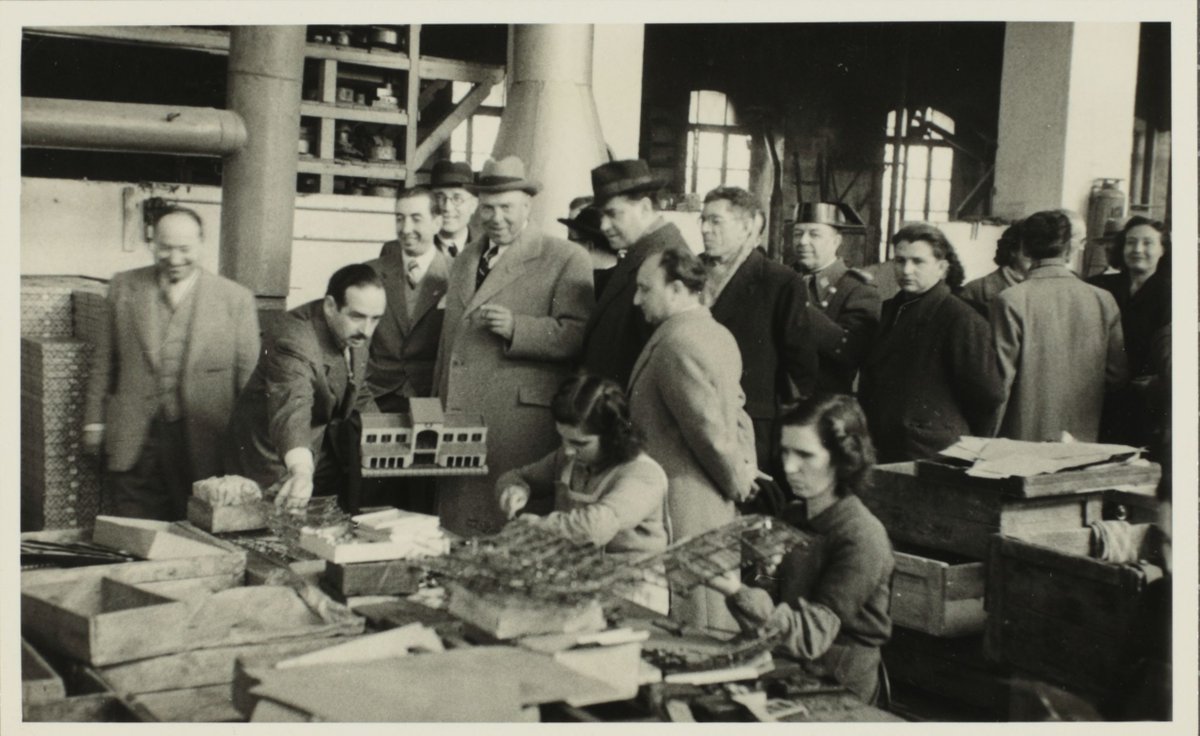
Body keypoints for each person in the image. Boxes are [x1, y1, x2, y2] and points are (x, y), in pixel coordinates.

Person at [432, 155, 593, 536]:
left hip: (520, 425)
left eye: (506, 207)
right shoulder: (466, 259)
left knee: (509, 527)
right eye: (487, 207)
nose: (495, 217)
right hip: (459, 418)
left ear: (527, 206)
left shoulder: (566, 257)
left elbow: (578, 335)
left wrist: (518, 328)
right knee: (458, 530)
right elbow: (447, 344)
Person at [703, 395, 893, 704]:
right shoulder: (794, 515)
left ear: (842, 459)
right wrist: (760, 575)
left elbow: (811, 637)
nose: (789, 467)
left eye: (805, 455)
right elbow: (770, 616)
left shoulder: (862, 536)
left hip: (838, 685)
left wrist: (736, 590)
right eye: (786, 452)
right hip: (789, 667)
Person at [82, 207, 261, 520]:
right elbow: (103, 364)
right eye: (165, 248)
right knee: (132, 531)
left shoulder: (236, 299)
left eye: (184, 249)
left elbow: (248, 384)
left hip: (205, 439)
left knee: (196, 527)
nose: (175, 258)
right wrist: (94, 422)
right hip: (136, 437)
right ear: (152, 243)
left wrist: (248, 451)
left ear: (202, 244)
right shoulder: (123, 286)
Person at [628, 245, 757, 631]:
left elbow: (709, 432)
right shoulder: (715, 333)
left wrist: (738, 481)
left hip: (684, 507)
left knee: (695, 622)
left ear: (678, 289)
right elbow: (737, 413)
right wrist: (747, 466)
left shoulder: (677, 344)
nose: (636, 300)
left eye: (645, 289)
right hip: (707, 499)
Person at [495, 374, 669, 612]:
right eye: (562, 438)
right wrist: (514, 490)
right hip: (582, 586)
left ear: (613, 436)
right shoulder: (568, 458)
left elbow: (595, 526)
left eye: (579, 443)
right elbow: (517, 476)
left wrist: (535, 527)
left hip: (632, 595)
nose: (567, 449)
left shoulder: (642, 475)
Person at [224, 264, 386, 510]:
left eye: (375, 319)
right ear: (330, 306)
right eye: (357, 317)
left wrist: (386, 436)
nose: (367, 330)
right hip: (270, 457)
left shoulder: (356, 327)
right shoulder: (294, 339)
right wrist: (300, 469)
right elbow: (292, 404)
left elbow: (355, 387)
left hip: (316, 449)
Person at [699, 186, 818, 493]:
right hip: (695, 417)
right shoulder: (689, 273)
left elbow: (801, 365)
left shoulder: (779, 282)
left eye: (715, 221)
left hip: (751, 429)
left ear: (748, 225)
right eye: (703, 220)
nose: (704, 229)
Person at [858, 223, 1004, 462]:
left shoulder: (961, 318)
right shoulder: (890, 310)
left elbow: (989, 395)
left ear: (942, 267)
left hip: (930, 451)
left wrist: (955, 437)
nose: (906, 270)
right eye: (900, 260)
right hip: (886, 444)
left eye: (918, 262)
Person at [992, 211, 1127, 442]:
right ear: (1068, 249)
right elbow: (1117, 376)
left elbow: (1000, 382)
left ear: (1024, 248)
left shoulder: (1010, 300)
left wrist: (986, 437)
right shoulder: (1103, 299)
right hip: (1083, 438)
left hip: (1020, 439)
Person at [363, 187, 450, 512]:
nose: (406, 228)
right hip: (378, 398)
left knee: (423, 503)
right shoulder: (371, 272)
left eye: (416, 218)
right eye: (399, 218)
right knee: (375, 501)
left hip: (431, 404)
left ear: (438, 221)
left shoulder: (460, 276)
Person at [581, 159, 690, 388]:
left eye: (613, 214)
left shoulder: (664, 260)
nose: (603, 226)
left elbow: (676, 361)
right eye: (601, 215)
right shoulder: (642, 254)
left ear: (645, 208)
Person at [1088, 216, 1170, 456]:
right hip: (1102, 398)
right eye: (1131, 242)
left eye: (1147, 243)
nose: (1138, 250)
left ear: (1163, 249)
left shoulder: (1172, 292)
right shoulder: (1101, 286)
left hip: (1147, 403)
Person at [791, 202, 881, 394]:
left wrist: (799, 306)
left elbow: (851, 353)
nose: (803, 242)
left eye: (814, 234)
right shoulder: (782, 279)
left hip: (822, 405)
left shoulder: (857, 289)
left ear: (836, 241)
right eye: (798, 233)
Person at [381, 160, 476, 259]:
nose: (447, 207)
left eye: (457, 199)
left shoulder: (488, 248)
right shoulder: (395, 250)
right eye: (439, 197)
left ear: (473, 205)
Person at [958, 222, 1030, 318]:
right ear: (1013, 250)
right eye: (1030, 249)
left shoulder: (1048, 289)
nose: (1039, 256)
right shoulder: (974, 291)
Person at [559, 202, 619, 295]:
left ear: (589, 245)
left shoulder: (586, 284)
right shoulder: (623, 278)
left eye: (571, 239)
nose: (567, 245)